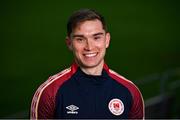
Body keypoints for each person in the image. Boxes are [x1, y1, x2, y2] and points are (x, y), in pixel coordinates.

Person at [30, 8, 144, 119]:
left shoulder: (130, 91)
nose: (89, 47)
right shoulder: (50, 92)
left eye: (96, 37)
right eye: (80, 39)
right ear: (69, 43)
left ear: (107, 40)